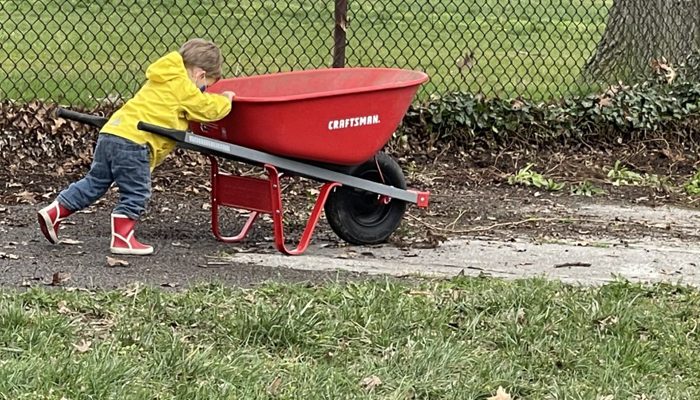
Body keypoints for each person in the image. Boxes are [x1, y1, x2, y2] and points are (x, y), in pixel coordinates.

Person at [37, 38, 235, 256]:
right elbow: (206, 109)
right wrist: (226, 100)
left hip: (112, 132)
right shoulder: (184, 86)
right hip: (135, 141)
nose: (203, 91)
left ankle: (55, 211)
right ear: (200, 75)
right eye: (205, 87)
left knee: (94, 182)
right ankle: (122, 239)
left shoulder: (163, 76)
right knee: (137, 191)